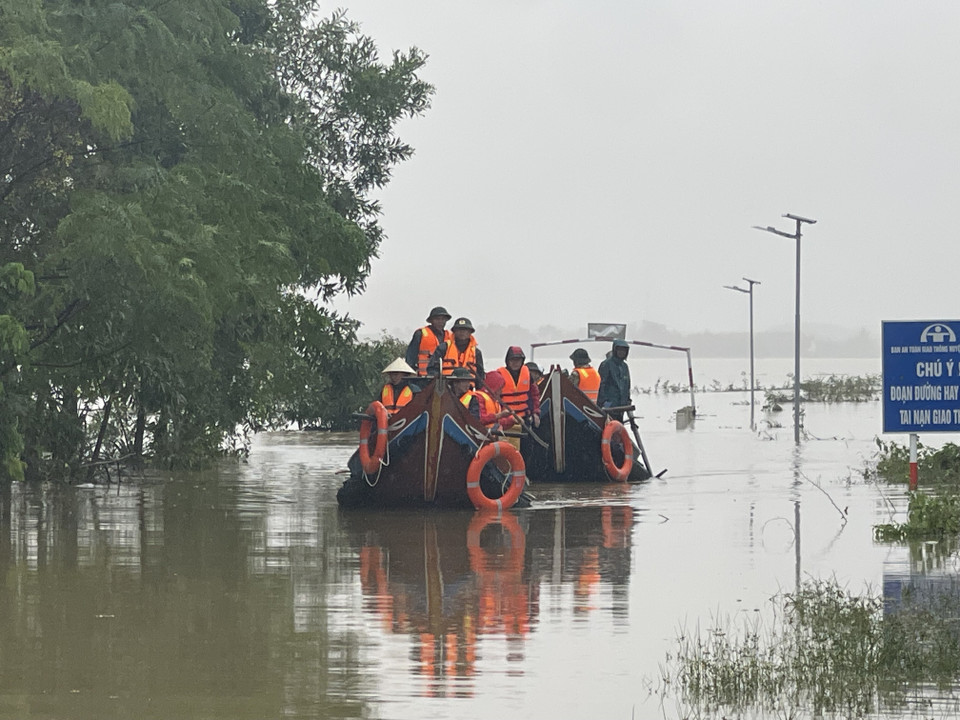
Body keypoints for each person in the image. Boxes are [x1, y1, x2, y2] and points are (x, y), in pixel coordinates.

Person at [427, 316, 485, 386]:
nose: (462, 332)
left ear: (470, 332)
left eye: (465, 330)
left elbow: (480, 375)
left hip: (469, 387)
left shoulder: (476, 352)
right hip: (446, 386)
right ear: (454, 332)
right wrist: (440, 380)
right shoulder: (443, 348)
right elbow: (431, 369)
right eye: (459, 330)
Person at [494, 346, 540, 429]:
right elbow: (494, 397)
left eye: (518, 360)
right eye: (513, 360)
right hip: (506, 419)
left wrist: (535, 413)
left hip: (524, 419)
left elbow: (534, 395)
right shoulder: (499, 375)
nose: (515, 363)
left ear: (522, 361)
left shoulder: (527, 374)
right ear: (508, 361)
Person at [405, 306, 453, 376]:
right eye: (437, 319)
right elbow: (410, 357)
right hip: (424, 377)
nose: (440, 322)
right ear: (431, 321)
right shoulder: (421, 334)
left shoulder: (451, 336)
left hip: (447, 377)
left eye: (443, 319)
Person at [597, 339, 632, 421]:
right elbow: (601, 384)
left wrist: (627, 401)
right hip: (609, 405)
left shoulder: (624, 366)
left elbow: (627, 386)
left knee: (619, 424)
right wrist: (604, 402)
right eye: (619, 350)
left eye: (624, 350)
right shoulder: (606, 364)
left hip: (621, 405)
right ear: (615, 350)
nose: (621, 352)